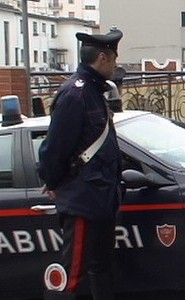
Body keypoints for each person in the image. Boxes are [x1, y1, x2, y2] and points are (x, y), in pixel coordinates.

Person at [38, 28, 123, 300]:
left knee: (102, 267)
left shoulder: (95, 91)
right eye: (114, 58)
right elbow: (55, 148)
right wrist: (51, 181)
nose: (116, 64)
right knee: (72, 275)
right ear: (102, 57)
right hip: (83, 200)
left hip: (100, 197)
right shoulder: (75, 95)